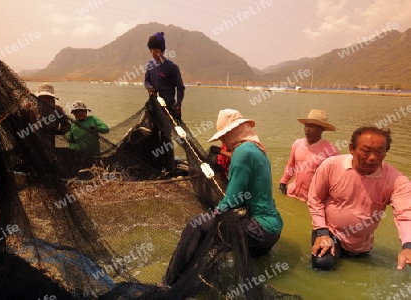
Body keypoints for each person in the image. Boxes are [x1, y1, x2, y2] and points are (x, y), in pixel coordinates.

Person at [164, 109, 283, 286]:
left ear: (231, 133)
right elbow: (246, 195)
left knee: (196, 225)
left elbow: (233, 200)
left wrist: (213, 213)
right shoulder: (258, 149)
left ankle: (169, 282)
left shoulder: (242, 153)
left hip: (260, 230)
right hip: (273, 229)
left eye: (223, 136)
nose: (222, 141)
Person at [308, 126, 411, 271]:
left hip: (361, 244)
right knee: (322, 264)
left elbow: (405, 214)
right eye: (366, 150)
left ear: (386, 152)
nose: (373, 157)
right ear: (352, 149)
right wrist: (322, 232)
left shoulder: (396, 180)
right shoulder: (331, 165)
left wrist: (408, 246)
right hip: (330, 231)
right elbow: (315, 198)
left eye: (380, 151)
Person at [279, 109, 339, 201]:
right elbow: (291, 165)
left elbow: (334, 179)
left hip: (313, 199)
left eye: (312, 126)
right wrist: (283, 182)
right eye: (306, 125)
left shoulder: (331, 150)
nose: (307, 129)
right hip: (292, 193)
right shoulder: (297, 144)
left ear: (322, 129)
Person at [144, 32, 185, 120]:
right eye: (151, 50)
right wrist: (149, 87)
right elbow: (146, 81)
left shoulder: (172, 67)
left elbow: (180, 88)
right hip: (155, 108)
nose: (152, 52)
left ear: (161, 50)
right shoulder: (149, 65)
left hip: (169, 109)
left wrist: (178, 105)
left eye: (155, 49)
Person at [20, 82, 71, 148]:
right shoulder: (29, 108)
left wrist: (58, 131)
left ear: (53, 99)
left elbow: (66, 125)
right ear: (38, 97)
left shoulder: (58, 110)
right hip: (32, 144)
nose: (45, 100)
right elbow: (21, 122)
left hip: (50, 144)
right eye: (43, 97)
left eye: (48, 98)